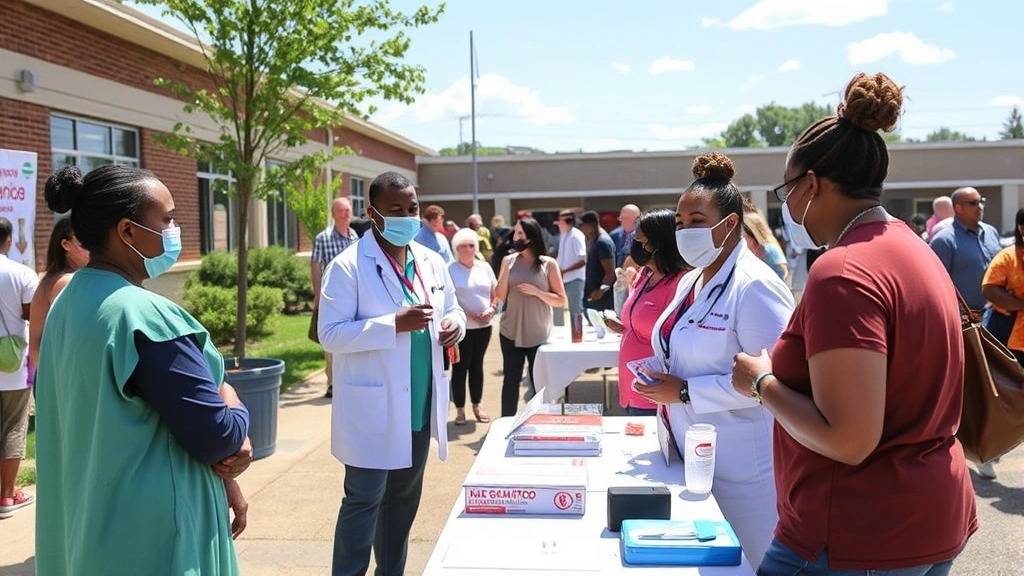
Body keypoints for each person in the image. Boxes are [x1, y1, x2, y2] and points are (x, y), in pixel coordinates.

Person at [732, 72, 977, 575]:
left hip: (854, 534)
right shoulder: (915, 248)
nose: (789, 209)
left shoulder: (842, 270)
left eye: (787, 192)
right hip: (930, 517)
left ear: (813, 185)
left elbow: (849, 439)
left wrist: (761, 381)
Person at [35, 165, 252, 573]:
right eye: (167, 219)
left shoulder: (68, 302)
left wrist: (228, 481)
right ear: (128, 232)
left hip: (92, 531)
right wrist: (232, 396)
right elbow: (218, 436)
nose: (175, 230)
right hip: (156, 540)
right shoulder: (144, 317)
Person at [636, 152, 793, 568]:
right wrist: (661, 374)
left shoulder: (756, 286)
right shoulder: (691, 279)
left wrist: (685, 391)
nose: (685, 232)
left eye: (697, 222)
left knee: (755, 562)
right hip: (694, 456)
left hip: (746, 469)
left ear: (730, 225)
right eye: (680, 224)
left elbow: (776, 383)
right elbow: (683, 346)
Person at [318, 171, 465, 576]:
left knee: (402, 502)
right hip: (374, 408)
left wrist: (456, 324)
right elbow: (329, 334)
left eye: (412, 208)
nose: (407, 216)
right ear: (373, 213)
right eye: (396, 209)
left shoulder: (432, 261)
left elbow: (451, 308)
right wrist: (392, 324)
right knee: (364, 500)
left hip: (418, 402)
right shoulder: (348, 266)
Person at [604, 209, 688, 416]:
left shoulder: (681, 283)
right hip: (633, 386)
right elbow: (644, 319)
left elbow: (675, 337)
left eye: (641, 241)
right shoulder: (644, 275)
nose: (635, 246)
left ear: (660, 244)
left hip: (657, 393)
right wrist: (626, 328)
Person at [495, 218, 567, 417]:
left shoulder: (548, 264)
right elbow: (500, 296)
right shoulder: (508, 261)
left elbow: (561, 300)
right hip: (510, 331)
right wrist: (505, 269)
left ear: (531, 235)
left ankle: (541, 422)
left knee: (539, 383)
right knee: (511, 379)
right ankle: (506, 422)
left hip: (538, 333)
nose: (515, 237)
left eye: (520, 233)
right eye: (515, 233)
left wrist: (538, 292)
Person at [0, 217, 38, 520]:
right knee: (13, 426)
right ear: (9, 240)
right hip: (13, 364)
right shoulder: (21, 273)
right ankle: (8, 495)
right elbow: (32, 316)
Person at [311, 197, 359, 398]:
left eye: (348, 210)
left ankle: (349, 380)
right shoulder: (323, 238)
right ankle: (332, 383)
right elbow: (315, 266)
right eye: (341, 211)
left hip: (355, 297)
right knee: (331, 340)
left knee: (353, 338)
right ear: (333, 214)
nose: (345, 214)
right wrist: (317, 294)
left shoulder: (355, 237)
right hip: (332, 298)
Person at [448, 228, 497, 426]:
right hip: (462, 327)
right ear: (456, 249)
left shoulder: (484, 267)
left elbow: (495, 292)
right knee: (460, 368)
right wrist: (468, 314)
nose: (467, 249)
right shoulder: (450, 269)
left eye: (471, 245)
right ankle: (460, 409)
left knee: (477, 366)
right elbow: (448, 298)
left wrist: (492, 309)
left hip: (484, 326)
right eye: (462, 246)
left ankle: (477, 404)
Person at [28, 218, 90, 368]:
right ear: (65, 245)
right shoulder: (66, 282)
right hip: (61, 374)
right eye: (84, 241)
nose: (91, 248)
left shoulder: (51, 279)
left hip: (50, 373)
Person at [930, 187, 1001, 313]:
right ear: (958, 208)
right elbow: (935, 285)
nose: (980, 207)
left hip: (997, 314)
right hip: (965, 320)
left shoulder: (991, 232)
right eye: (973, 203)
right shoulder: (944, 241)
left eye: (981, 202)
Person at [553, 210, 586, 326]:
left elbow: (583, 260)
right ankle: (558, 332)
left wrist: (564, 271)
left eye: (560, 220)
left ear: (567, 221)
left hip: (575, 279)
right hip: (562, 278)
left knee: (575, 309)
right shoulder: (564, 235)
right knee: (556, 306)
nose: (558, 223)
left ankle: (577, 335)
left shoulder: (576, 235)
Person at [579, 211, 616, 311]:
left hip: (602, 299)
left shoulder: (602, 243)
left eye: (582, 225)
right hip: (593, 297)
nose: (581, 228)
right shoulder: (593, 241)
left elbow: (610, 272)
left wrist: (600, 291)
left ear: (591, 225)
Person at [742, 210, 789, 282]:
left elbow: (783, 272)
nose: (742, 236)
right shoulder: (745, 251)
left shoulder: (769, 248)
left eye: (744, 234)